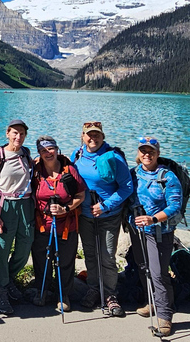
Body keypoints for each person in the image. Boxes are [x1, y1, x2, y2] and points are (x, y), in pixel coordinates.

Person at [72, 121, 132, 317]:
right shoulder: (77, 155)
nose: (93, 138)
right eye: (89, 134)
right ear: (82, 136)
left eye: (97, 134)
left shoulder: (114, 157)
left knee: (107, 256)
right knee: (90, 254)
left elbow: (126, 187)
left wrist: (105, 205)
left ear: (103, 137)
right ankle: (93, 288)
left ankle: (110, 295)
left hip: (108, 216)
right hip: (85, 216)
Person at [128, 137, 182, 336]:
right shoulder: (134, 174)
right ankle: (151, 301)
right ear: (138, 153)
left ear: (158, 153)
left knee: (158, 273)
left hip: (160, 232)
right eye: (143, 151)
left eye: (151, 151)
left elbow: (175, 205)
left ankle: (165, 315)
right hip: (137, 229)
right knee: (143, 267)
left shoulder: (168, 177)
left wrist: (153, 219)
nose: (146, 155)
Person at [30, 136, 86, 312]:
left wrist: (66, 209)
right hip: (42, 224)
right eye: (44, 150)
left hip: (67, 225)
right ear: (39, 153)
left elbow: (80, 195)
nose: (48, 153)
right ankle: (42, 291)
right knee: (41, 259)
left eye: (51, 149)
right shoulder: (36, 171)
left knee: (65, 261)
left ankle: (63, 295)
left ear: (57, 149)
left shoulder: (69, 170)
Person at [0, 119, 34, 315]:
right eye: (15, 133)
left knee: (25, 247)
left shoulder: (26, 153)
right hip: (6, 205)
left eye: (22, 133)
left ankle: (6, 279)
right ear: (7, 133)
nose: (18, 137)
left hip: (26, 205)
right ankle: (1, 289)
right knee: (2, 248)